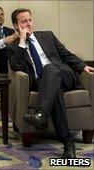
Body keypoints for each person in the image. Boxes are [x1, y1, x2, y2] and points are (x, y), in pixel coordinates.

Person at [7, 8, 94, 158]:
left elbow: (65, 54)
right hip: (42, 82)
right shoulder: (13, 47)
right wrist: (21, 40)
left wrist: (83, 66)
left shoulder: (47, 35)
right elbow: (16, 67)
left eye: (30, 20)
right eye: (23, 22)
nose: (28, 24)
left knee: (51, 68)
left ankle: (41, 115)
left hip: (63, 74)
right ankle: (68, 143)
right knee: (55, 90)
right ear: (16, 26)